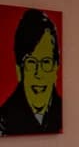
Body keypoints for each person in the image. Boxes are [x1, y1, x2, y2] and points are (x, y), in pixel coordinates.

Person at [0, 8, 62, 136]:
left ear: (56, 68)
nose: (38, 74)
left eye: (46, 62)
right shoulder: (3, 122)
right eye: (31, 62)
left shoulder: (63, 112)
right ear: (19, 70)